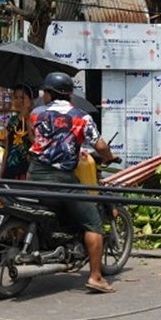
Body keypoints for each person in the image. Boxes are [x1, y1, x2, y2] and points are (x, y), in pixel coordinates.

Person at [27, 71, 118, 294]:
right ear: (68, 94)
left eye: (45, 92)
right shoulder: (81, 117)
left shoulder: (36, 114)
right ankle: (96, 277)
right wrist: (110, 157)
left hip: (34, 176)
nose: (43, 96)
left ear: (50, 93)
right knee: (93, 223)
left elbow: (37, 138)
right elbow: (99, 145)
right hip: (61, 180)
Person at [0, 83, 34, 181]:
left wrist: (27, 120)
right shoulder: (13, 120)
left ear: (31, 100)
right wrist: (1, 172)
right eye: (16, 98)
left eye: (22, 98)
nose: (18, 101)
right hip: (10, 169)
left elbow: (36, 143)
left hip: (27, 170)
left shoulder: (35, 119)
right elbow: (7, 149)